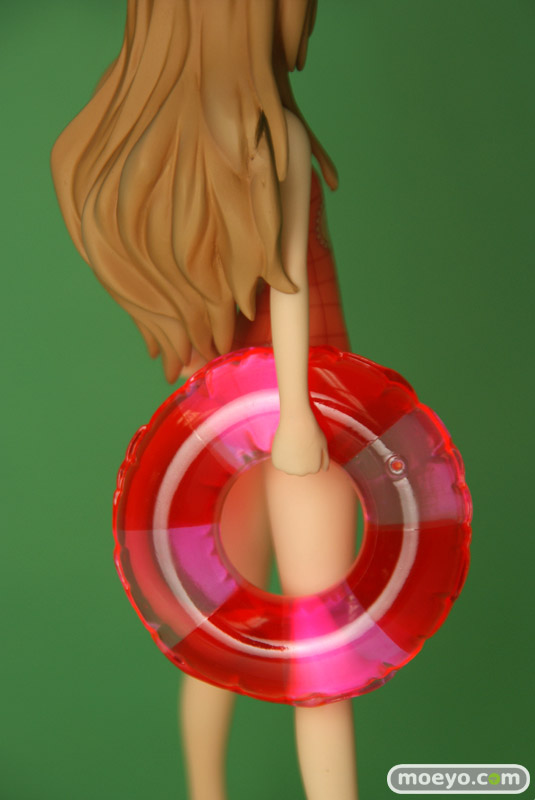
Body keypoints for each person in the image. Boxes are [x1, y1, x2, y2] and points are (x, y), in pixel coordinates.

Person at [51, 2, 359, 798]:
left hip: (215, 421)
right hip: (301, 412)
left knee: (214, 641)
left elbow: (213, 304)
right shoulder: (275, 137)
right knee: (321, 656)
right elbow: (287, 291)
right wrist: (297, 420)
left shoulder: (179, 149)